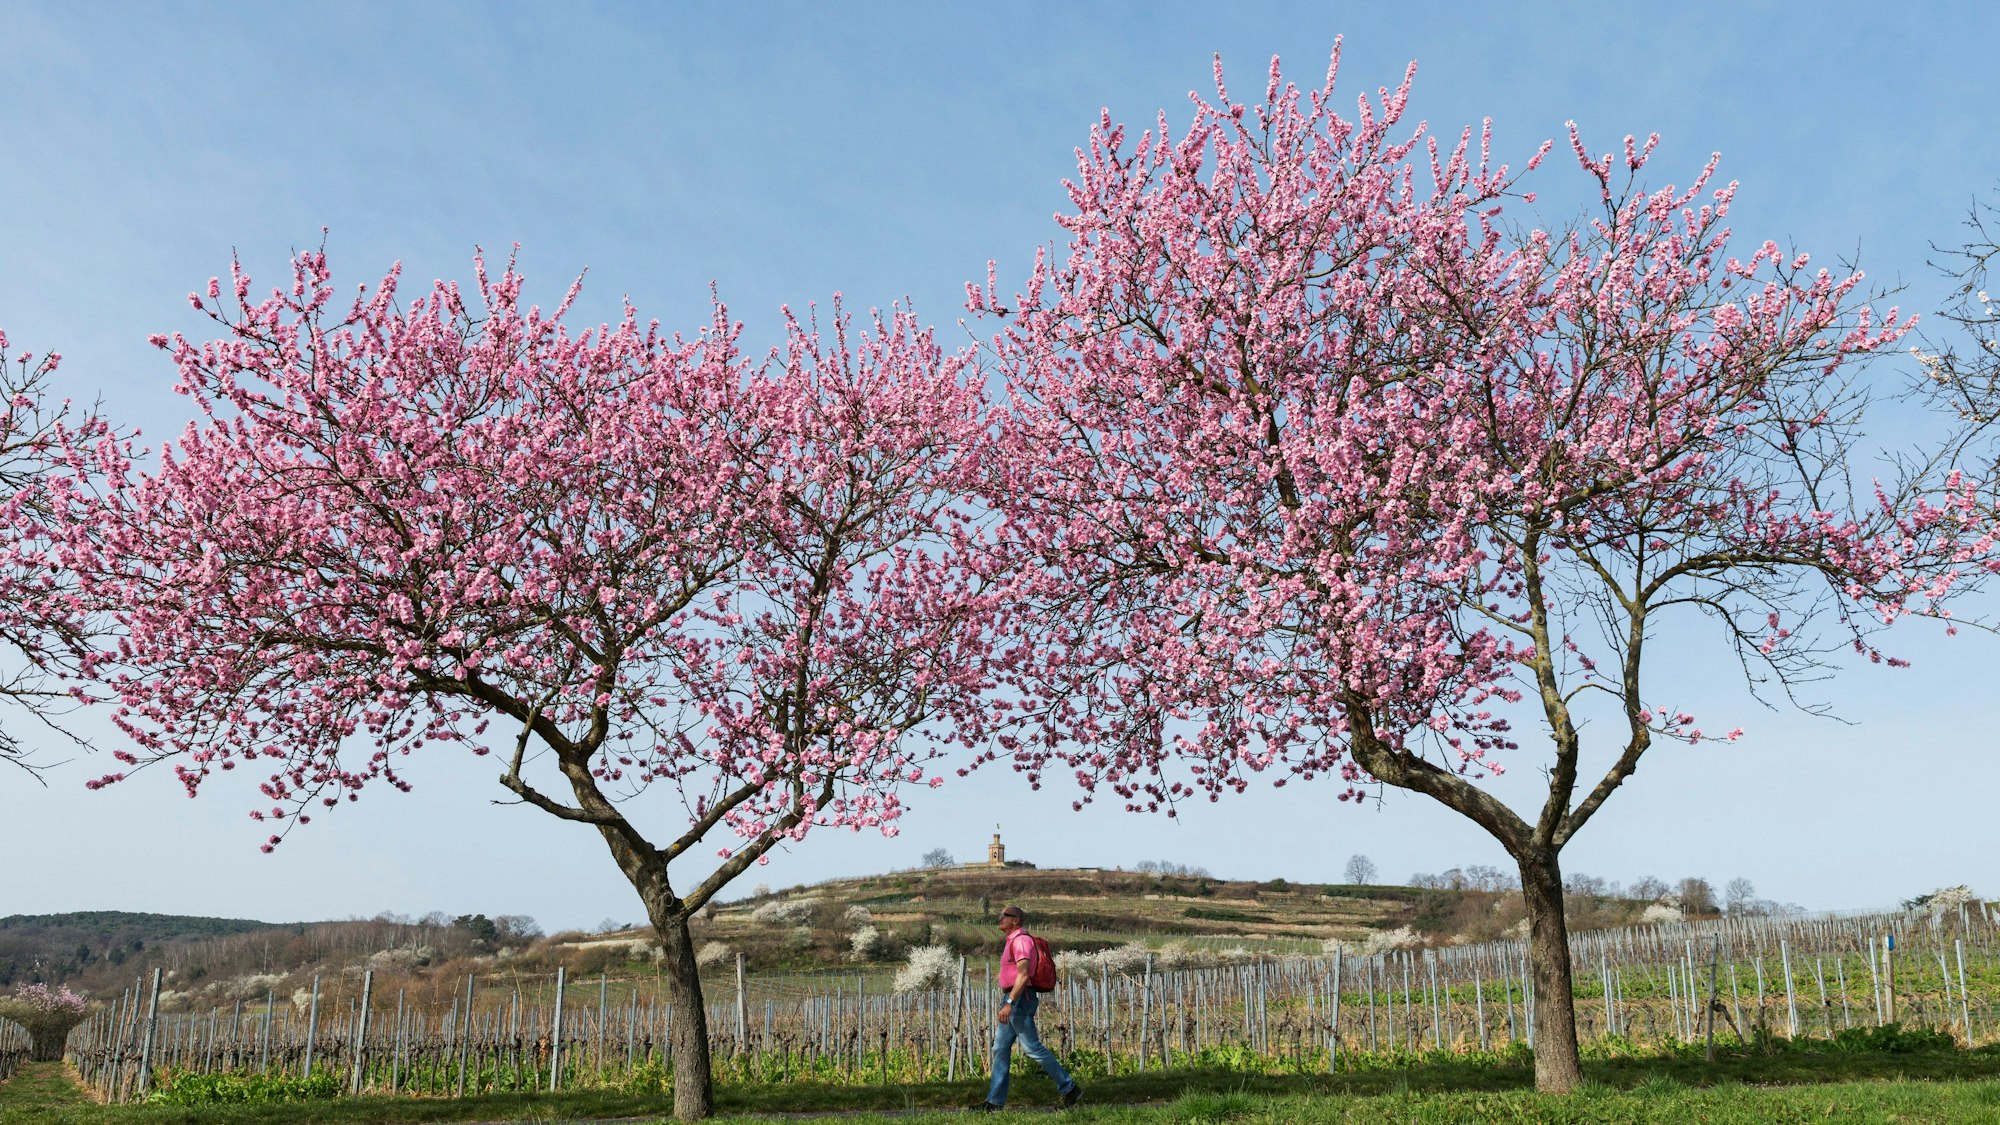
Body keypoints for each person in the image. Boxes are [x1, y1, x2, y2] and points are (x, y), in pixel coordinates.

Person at [974, 904, 1081, 1112]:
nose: (1000, 918)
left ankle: (1070, 1088)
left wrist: (1010, 1003)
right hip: (1014, 998)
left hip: (1019, 1000)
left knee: (1032, 1048)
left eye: (1004, 915)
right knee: (1000, 1048)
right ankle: (994, 1102)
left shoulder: (1021, 940)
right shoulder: (1012, 940)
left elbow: (1023, 975)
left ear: (1016, 920)